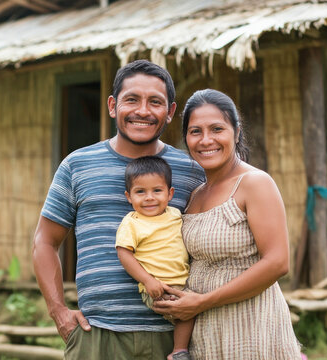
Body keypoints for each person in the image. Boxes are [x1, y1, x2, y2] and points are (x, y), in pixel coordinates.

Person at [32, 59, 205, 359]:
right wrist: (58, 310)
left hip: (173, 338)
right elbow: (45, 241)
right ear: (113, 106)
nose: (143, 111)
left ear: (170, 112)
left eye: (155, 102)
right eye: (132, 100)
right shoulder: (77, 165)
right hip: (96, 337)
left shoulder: (191, 171)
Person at [152, 89, 302, 359]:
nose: (206, 140)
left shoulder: (254, 183)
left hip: (250, 322)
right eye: (195, 131)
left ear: (236, 130)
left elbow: (278, 262)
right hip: (204, 329)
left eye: (217, 129)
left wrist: (203, 302)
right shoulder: (196, 194)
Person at [115, 156, 195, 360]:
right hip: (157, 287)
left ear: (170, 194)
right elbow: (124, 253)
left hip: (184, 282)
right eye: (140, 192)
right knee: (186, 314)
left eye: (157, 191)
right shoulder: (132, 222)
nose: (149, 197)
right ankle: (179, 351)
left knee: (194, 310)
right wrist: (148, 280)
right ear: (128, 196)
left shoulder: (176, 214)